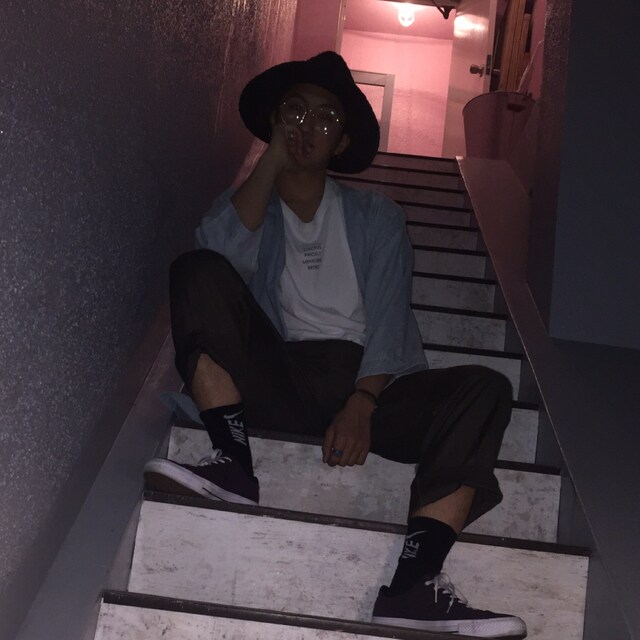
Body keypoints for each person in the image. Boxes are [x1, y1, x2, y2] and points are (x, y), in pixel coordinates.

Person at [144, 51, 527, 639]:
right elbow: (215, 259)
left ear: (343, 141)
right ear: (274, 121)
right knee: (195, 269)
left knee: (485, 388)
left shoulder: (377, 216)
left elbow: (390, 319)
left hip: (371, 384)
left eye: (326, 118)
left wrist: (363, 401)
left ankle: (414, 585)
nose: (308, 126)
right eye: (294, 111)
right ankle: (232, 464)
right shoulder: (253, 208)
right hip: (282, 377)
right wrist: (271, 160)